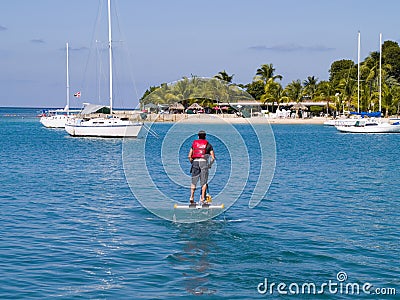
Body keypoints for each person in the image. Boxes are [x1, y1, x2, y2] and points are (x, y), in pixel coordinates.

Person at [188, 130, 215, 205]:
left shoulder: (194, 144)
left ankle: (191, 197)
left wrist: (192, 163)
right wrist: (209, 165)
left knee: (194, 181)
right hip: (203, 162)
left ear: (198, 136)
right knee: (204, 182)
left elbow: (189, 156)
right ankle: (202, 198)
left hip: (195, 162)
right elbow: (213, 157)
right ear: (205, 136)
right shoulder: (209, 145)